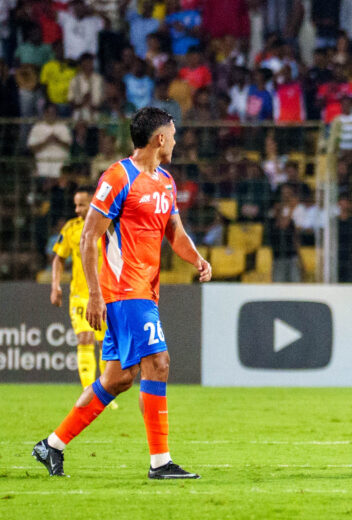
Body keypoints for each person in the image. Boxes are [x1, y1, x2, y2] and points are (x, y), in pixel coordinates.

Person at [32, 107, 212, 479]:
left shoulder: (166, 182)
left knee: (118, 378)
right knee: (158, 363)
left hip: (144, 290)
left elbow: (175, 233)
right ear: (159, 138)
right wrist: (95, 295)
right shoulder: (118, 177)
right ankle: (160, 463)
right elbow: (88, 238)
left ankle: (52, 445)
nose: (175, 141)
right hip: (125, 290)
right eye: (173, 135)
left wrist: (197, 259)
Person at [50, 186, 118, 410]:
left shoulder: (107, 224)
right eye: (76, 205)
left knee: (105, 343)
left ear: (93, 203)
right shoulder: (71, 228)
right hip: (80, 295)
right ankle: (88, 391)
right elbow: (59, 259)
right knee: (85, 338)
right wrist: (55, 286)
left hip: (105, 294)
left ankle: (104, 393)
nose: (77, 209)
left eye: (81, 205)